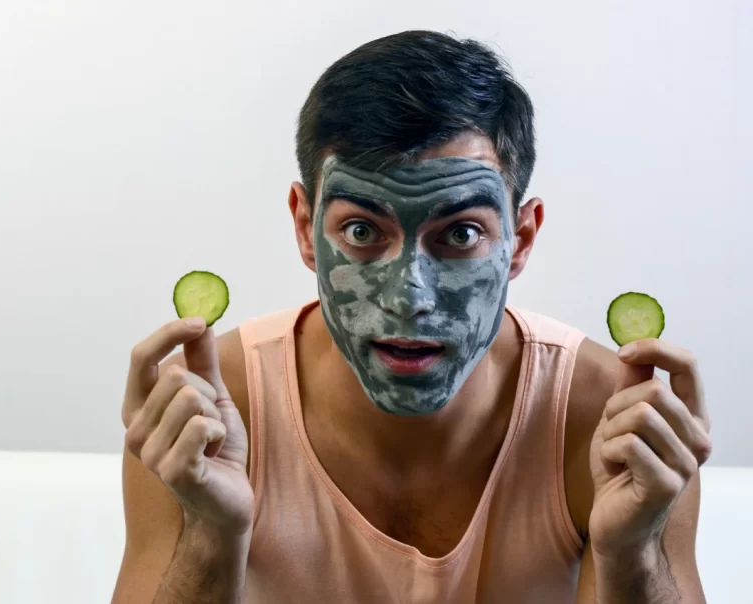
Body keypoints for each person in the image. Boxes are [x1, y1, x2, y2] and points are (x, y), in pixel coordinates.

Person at [112, 30, 712, 603]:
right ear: (304, 226)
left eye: (461, 233)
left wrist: (633, 551)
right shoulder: (209, 414)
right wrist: (209, 534)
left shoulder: (612, 422)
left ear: (522, 239)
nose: (409, 297)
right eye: (362, 230)